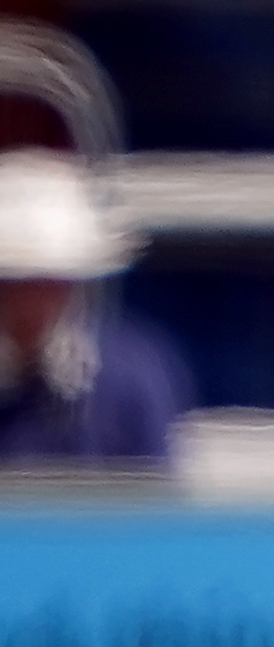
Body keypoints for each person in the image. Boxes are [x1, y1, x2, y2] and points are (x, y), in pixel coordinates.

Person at [0, 154, 189, 470]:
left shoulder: (133, 377)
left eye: (46, 280)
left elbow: (158, 509)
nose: (29, 297)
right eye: (13, 281)